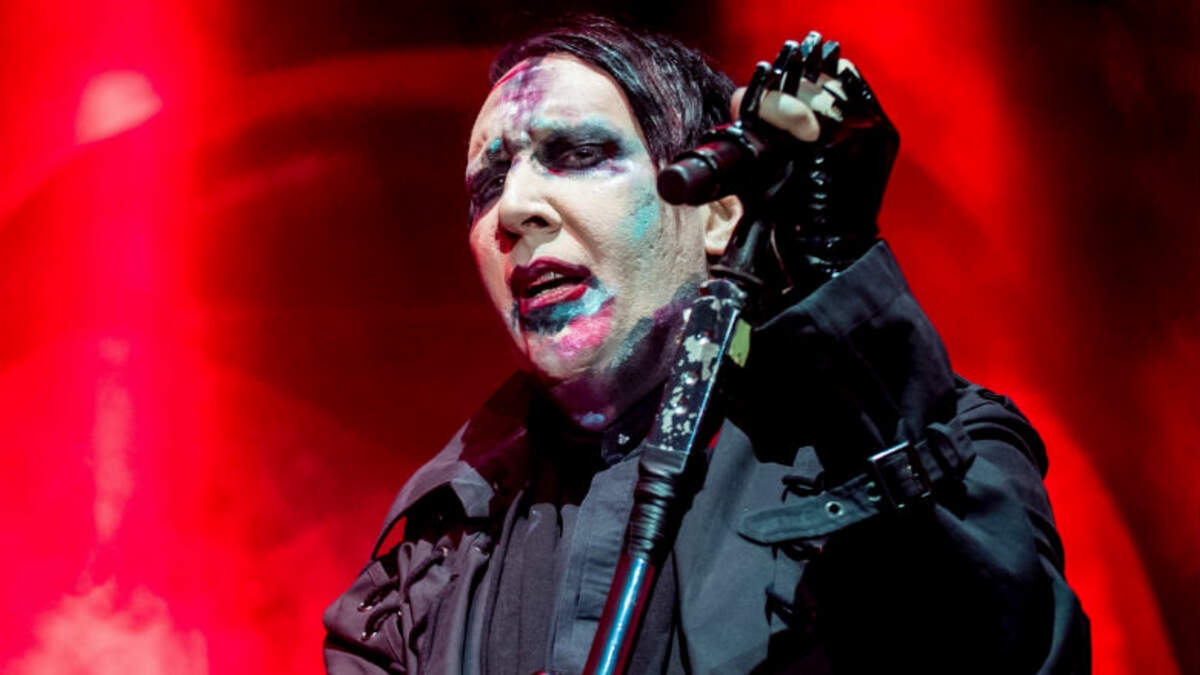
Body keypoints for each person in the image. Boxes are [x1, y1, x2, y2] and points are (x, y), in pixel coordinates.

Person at [323, 15, 1091, 674]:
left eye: (579, 155)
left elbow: (1011, 647)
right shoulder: (427, 560)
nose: (515, 209)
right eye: (487, 185)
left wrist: (841, 283)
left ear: (719, 213)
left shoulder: (922, 446)